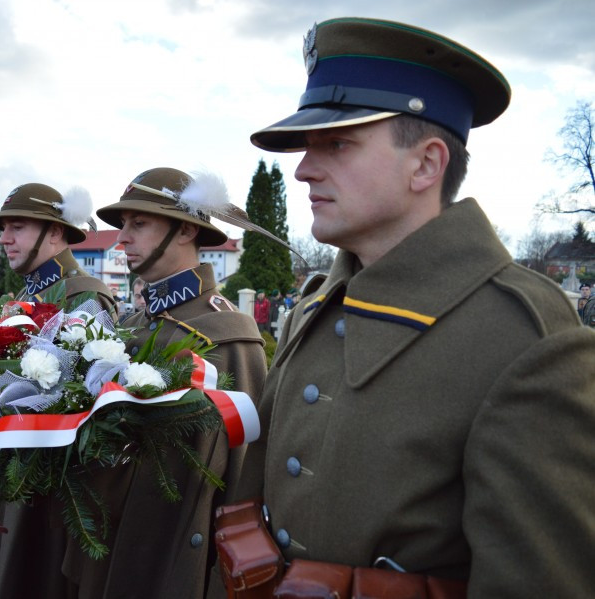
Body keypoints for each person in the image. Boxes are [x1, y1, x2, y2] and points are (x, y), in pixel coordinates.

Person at [211, 17, 595, 597]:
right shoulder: (318, 304)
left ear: (426, 164)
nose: (304, 169)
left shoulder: (524, 335)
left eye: (337, 143)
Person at [56, 166, 267, 599]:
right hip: (106, 549)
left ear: (187, 230)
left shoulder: (227, 332)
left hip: (171, 561)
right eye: (122, 225)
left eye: (139, 223)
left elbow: (246, 478)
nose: (122, 238)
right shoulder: (132, 324)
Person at [0, 182, 118, 599]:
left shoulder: (84, 297)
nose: (4, 238)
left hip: (43, 500)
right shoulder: (27, 296)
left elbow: (83, 410)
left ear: (57, 233)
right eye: (4, 228)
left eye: (18, 227)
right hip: (9, 485)